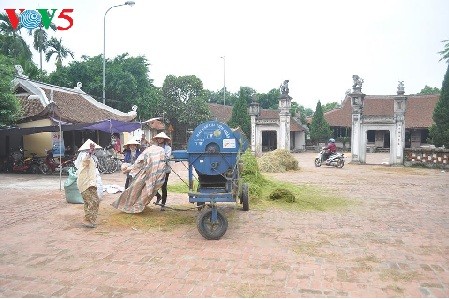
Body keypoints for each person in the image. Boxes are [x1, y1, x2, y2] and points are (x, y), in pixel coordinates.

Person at [111, 144, 166, 213]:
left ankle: (156, 202)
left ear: (136, 146)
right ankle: (128, 203)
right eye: (131, 146)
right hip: (133, 171)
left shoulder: (140, 153)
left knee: (146, 187)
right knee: (131, 186)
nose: (132, 147)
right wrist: (127, 168)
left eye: (133, 146)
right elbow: (129, 162)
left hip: (140, 171)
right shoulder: (128, 153)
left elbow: (139, 163)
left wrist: (131, 168)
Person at [74, 139, 103, 228]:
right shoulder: (84, 155)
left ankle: (89, 220)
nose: (93, 150)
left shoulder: (92, 157)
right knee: (94, 201)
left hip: (90, 182)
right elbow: (85, 160)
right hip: (85, 183)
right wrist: (89, 153)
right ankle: (88, 219)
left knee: (88, 202)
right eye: (91, 149)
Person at [153, 132, 172, 211]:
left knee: (163, 187)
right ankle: (158, 196)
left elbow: (167, 157)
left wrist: (160, 156)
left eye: (161, 138)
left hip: (165, 170)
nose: (159, 139)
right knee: (152, 184)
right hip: (156, 169)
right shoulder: (155, 147)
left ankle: (163, 204)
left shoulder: (168, 148)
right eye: (158, 138)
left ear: (164, 139)